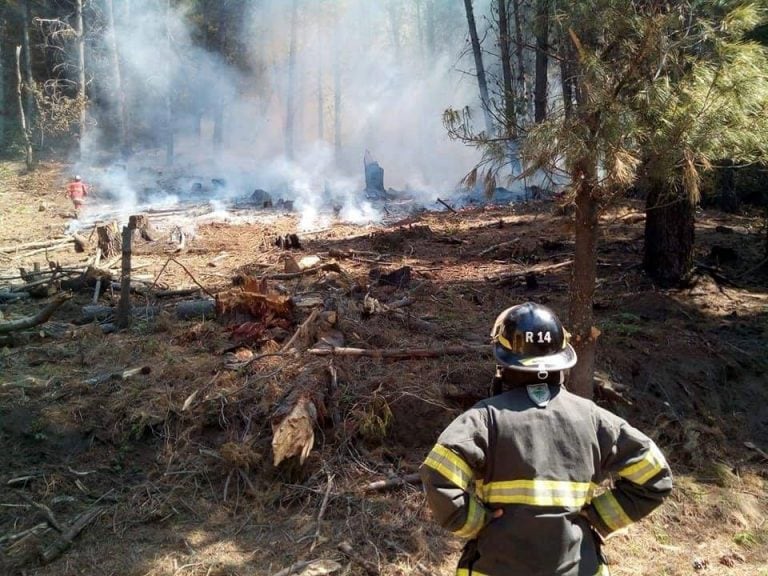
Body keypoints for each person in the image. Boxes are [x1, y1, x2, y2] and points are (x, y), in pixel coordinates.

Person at [420, 302, 673, 576]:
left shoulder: (483, 419)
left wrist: (477, 523)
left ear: (503, 363)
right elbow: (656, 477)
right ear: (562, 360)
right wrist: (598, 518)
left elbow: (438, 474)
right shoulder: (594, 418)